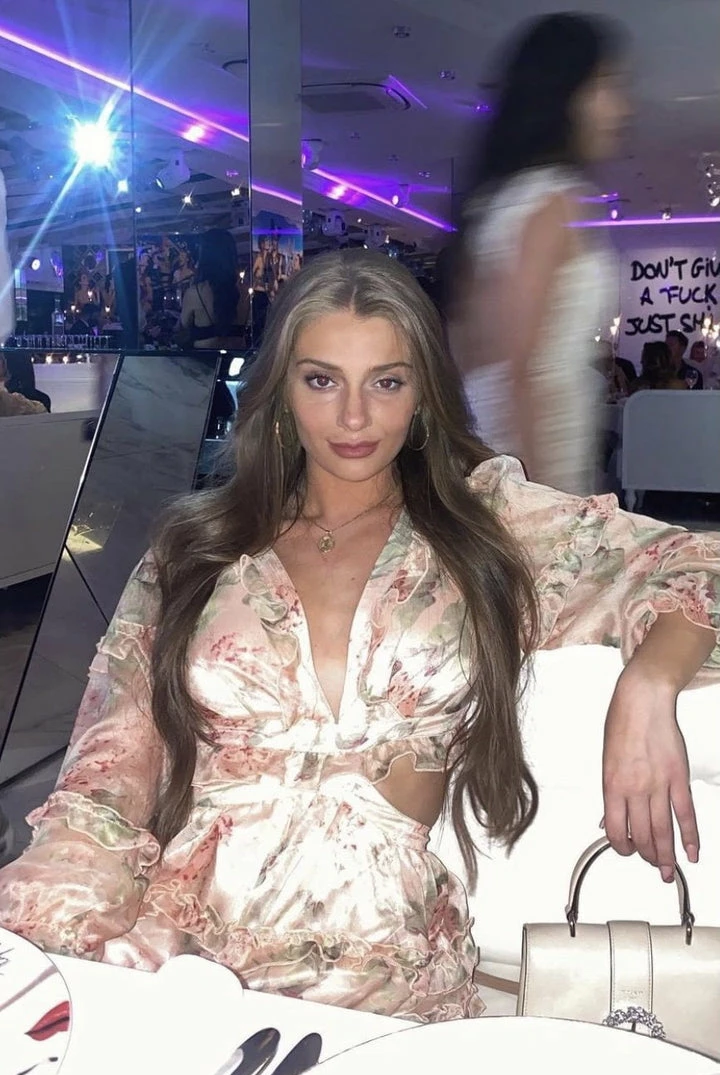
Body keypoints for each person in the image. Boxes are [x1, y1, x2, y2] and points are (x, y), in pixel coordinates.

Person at [1, 251, 719, 1021]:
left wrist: (648, 686)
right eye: (321, 381)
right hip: (185, 953)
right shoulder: (197, 546)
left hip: (380, 970)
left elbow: (692, 563)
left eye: (386, 382)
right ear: (280, 390)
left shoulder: (488, 526)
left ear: (423, 394)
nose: (353, 418)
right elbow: (106, 780)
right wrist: (46, 942)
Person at [448, 13, 631, 495]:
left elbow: (470, 350)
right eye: (606, 84)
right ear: (567, 93)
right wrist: (541, 501)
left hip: (517, 452)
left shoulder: (502, 198)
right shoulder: (549, 201)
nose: (620, 106)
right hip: (534, 457)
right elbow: (517, 373)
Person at [180, 229, 249, 349]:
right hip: (238, 355)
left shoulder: (195, 293)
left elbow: (184, 326)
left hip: (204, 357)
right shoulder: (244, 290)